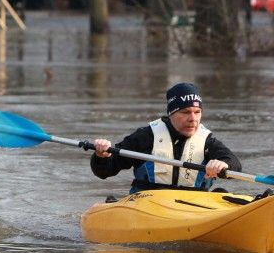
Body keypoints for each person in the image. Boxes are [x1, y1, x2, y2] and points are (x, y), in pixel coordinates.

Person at [91, 82, 241, 193]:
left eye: (197, 112)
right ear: (171, 113)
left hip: (194, 206)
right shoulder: (146, 137)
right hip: (149, 206)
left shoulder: (207, 141)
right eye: (185, 112)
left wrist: (223, 165)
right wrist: (101, 155)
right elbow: (105, 171)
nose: (193, 119)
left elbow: (235, 164)